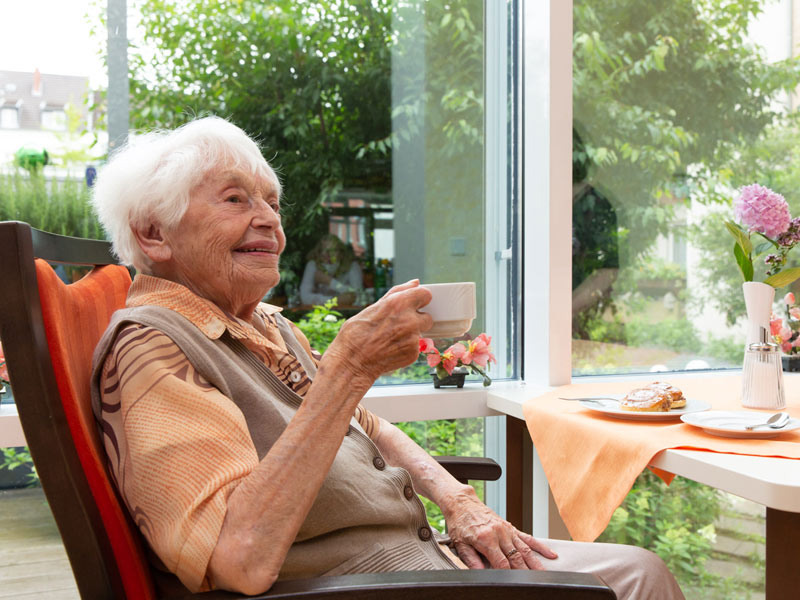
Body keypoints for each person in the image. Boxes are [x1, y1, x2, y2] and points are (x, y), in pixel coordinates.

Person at [89, 117, 684, 599]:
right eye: (235, 199)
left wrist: (458, 502)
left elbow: (364, 425)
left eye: (272, 202)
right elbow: (238, 560)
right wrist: (348, 368)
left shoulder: (261, 325)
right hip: (356, 588)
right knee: (633, 583)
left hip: (410, 563)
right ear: (154, 235)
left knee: (636, 569)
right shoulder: (154, 346)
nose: (268, 219)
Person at [299, 233, 364, 306]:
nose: (327, 255)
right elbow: (304, 298)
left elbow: (358, 296)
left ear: (341, 253)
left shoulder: (352, 266)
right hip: (318, 313)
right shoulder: (313, 265)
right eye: (323, 251)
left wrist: (330, 281)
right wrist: (335, 301)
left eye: (333, 251)